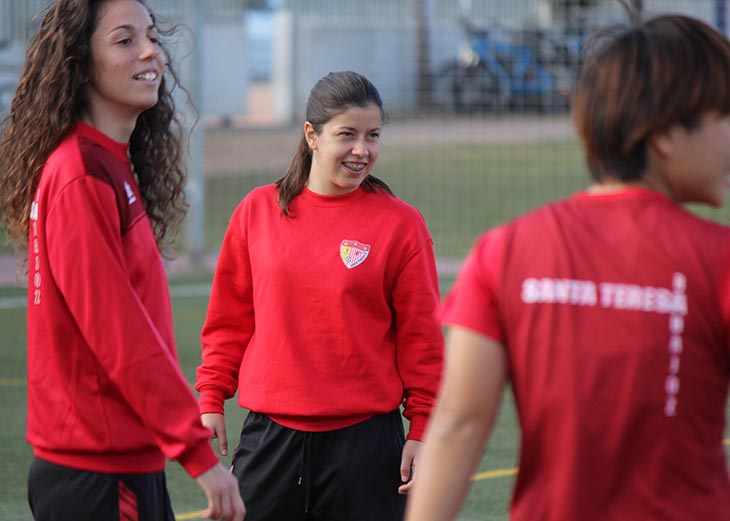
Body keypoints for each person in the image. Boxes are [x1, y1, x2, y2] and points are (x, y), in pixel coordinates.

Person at [406, 14, 730, 521]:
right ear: (664, 133)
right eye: (724, 116)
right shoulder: (718, 260)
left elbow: (458, 425)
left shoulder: (504, 250)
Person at [0, 1, 245, 520]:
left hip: (123, 464)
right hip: (98, 475)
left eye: (151, 35)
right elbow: (119, 333)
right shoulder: (79, 174)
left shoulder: (108, 163)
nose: (150, 50)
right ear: (80, 63)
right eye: (125, 39)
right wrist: (197, 453)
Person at [195, 70, 444, 521]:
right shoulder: (257, 211)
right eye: (347, 134)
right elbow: (229, 319)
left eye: (373, 136)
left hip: (366, 444)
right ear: (312, 135)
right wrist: (212, 395)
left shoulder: (401, 225)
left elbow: (422, 339)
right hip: (270, 438)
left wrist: (422, 428)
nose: (361, 150)